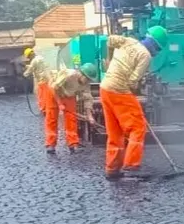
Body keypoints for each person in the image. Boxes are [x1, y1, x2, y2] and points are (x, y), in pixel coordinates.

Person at [99, 25, 168, 180]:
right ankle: (131, 166)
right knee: (137, 127)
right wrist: (136, 87)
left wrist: (110, 61)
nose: (155, 52)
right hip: (120, 90)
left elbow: (110, 40)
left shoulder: (129, 41)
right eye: (157, 49)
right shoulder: (145, 56)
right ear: (155, 45)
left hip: (105, 87)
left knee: (115, 131)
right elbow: (132, 81)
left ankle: (112, 168)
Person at [46, 63, 99, 154]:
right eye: (87, 79)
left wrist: (90, 116)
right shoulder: (69, 75)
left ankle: (73, 144)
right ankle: (51, 144)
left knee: (71, 119)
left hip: (69, 95)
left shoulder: (85, 83)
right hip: (54, 93)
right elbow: (54, 88)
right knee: (52, 119)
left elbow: (87, 99)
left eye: (89, 80)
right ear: (81, 74)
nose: (88, 82)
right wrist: (59, 103)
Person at [22, 47, 52, 115]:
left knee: (42, 96)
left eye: (28, 57)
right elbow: (36, 66)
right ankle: (47, 109)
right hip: (47, 79)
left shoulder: (34, 61)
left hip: (42, 80)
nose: (29, 59)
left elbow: (31, 69)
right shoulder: (41, 58)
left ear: (30, 55)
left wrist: (24, 75)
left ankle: (44, 110)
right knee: (47, 95)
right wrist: (27, 66)